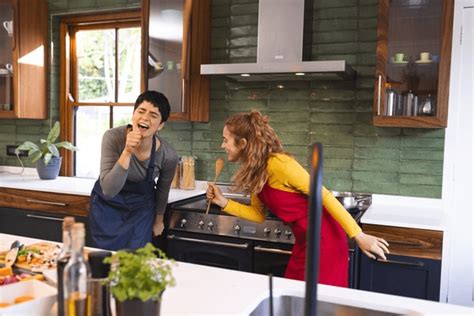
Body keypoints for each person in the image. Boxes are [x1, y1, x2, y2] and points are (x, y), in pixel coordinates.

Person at [207, 110, 389, 287]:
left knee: (313, 304)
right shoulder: (256, 170)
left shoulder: (279, 164)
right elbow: (258, 214)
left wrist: (358, 234)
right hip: (305, 242)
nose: (222, 146)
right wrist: (223, 202)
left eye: (225, 140)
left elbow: (323, 194)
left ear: (243, 143)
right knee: (296, 299)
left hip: (325, 241)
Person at [89, 90, 178, 251]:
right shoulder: (112, 138)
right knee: (104, 265)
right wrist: (127, 151)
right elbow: (108, 190)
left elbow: (163, 191)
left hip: (140, 215)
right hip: (107, 212)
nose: (145, 118)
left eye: (153, 115)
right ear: (133, 115)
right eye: (141, 111)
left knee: (136, 263)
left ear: (161, 125)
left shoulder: (168, 155)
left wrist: (158, 221)